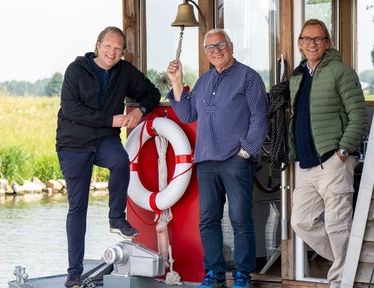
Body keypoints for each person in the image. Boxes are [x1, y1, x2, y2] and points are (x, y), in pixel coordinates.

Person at [56, 26, 160, 288]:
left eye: (118, 49)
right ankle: (74, 272)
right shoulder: (76, 69)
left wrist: (140, 111)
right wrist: (109, 119)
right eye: (108, 46)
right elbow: (70, 109)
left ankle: (116, 217)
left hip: (104, 140)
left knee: (120, 161)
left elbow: (152, 93)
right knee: (78, 208)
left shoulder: (124, 71)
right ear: (98, 45)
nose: (112, 52)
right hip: (74, 143)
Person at [166, 29, 269, 288]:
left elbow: (260, 119)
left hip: (236, 160)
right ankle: (214, 274)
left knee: (240, 219)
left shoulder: (249, 77)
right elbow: (187, 114)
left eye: (220, 44)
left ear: (231, 46)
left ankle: (243, 275)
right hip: (206, 160)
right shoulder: (203, 81)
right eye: (209, 47)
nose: (216, 50)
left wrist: (245, 152)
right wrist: (177, 82)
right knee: (208, 220)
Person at [288, 19, 368, 288]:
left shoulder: (341, 72)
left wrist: (343, 152)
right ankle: (350, 260)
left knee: (338, 226)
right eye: (307, 39)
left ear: (328, 43)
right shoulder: (297, 76)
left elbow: (359, 116)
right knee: (300, 222)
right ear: (300, 44)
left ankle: (339, 282)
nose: (312, 44)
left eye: (318, 39)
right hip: (307, 164)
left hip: (333, 160)